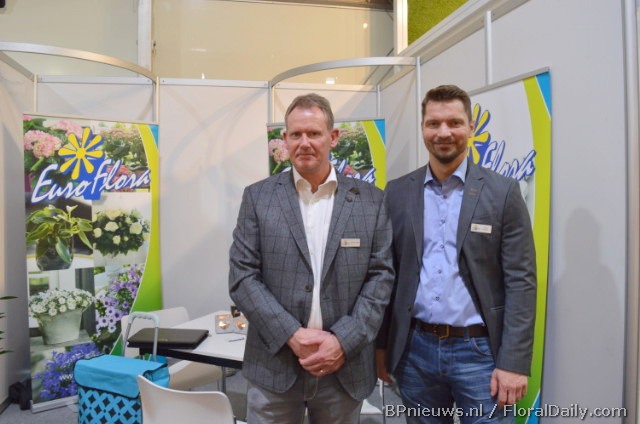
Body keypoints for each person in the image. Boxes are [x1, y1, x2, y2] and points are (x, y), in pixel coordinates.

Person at [229, 93, 394, 424]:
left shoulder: (371, 201)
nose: (304, 142)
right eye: (296, 134)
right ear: (285, 139)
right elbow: (242, 277)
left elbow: (381, 277)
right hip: (275, 365)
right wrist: (292, 334)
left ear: (333, 137)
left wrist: (342, 341)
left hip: (343, 367)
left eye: (314, 133)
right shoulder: (258, 198)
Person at [376, 84, 537, 423]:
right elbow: (387, 275)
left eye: (454, 122)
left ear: (471, 127)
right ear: (423, 127)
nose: (444, 132)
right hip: (415, 351)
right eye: (433, 123)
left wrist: (514, 363)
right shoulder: (398, 192)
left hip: (480, 354)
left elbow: (521, 283)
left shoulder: (503, 193)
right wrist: (382, 347)